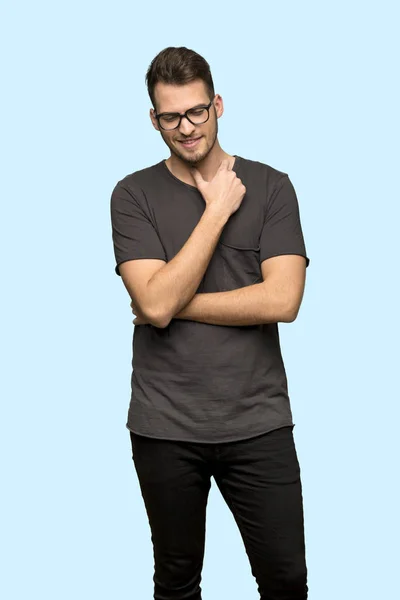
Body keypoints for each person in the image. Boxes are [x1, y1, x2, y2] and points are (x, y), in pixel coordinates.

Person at [110, 46, 310, 600]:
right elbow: (151, 306)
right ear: (154, 119)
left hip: (259, 421)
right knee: (176, 582)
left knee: (286, 579)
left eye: (197, 111)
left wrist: (173, 302)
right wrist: (217, 209)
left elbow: (284, 300)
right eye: (170, 117)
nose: (187, 127)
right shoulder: (132, 195)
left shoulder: (271, 187)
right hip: (164, 425)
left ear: (217, 104)